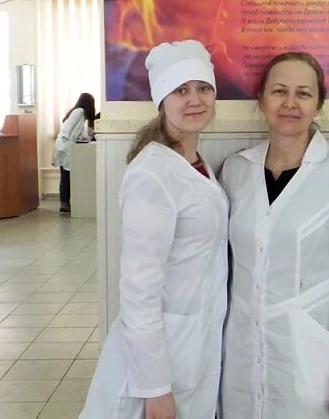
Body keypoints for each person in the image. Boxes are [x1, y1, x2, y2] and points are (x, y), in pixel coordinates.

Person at [219, 52, 329, 419]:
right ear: (261, 100)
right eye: (279, 91)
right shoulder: (235, 171)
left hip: (313, 351)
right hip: (241, 348)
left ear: (318, 105)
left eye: (303, 93)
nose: (290, 103)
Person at [80, 40, 228, 419]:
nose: (194, 100)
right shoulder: (152, 174)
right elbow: (138, 289)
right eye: (181, 90)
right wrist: (155, 387)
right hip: (156, 364)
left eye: (203, 88)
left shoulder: (193, 163)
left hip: (190, 347)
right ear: (162, 100)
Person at [52, 93, 96, 213]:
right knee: (66, 176)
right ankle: (64, 204)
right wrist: (66, 141)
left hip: (65, 145)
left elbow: (77, 131)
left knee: (66, 175)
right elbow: (68, 128)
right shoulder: (79, 112)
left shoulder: (79, 113)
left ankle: (65, 203)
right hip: (65, 146)